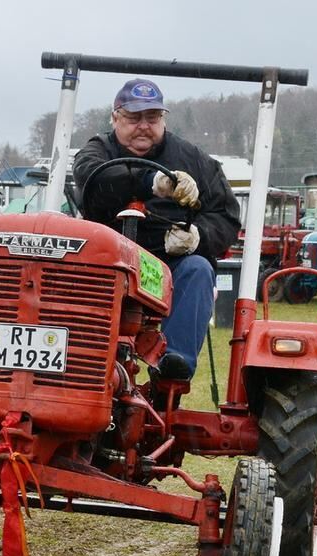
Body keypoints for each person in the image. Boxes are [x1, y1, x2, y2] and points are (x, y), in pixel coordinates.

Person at [73, 78, 241, 381]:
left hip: (169, 265)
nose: (143, 126)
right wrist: (154, 182)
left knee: (199, 269)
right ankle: (74, 364)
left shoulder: (194, 160)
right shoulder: (97, 152)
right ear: (115, 118)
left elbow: (226, 217)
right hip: (106, 264)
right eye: (133, 117)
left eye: (152, 118)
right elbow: (94, 180)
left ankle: (172, 370)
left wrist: (197, 237)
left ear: (163, 119)